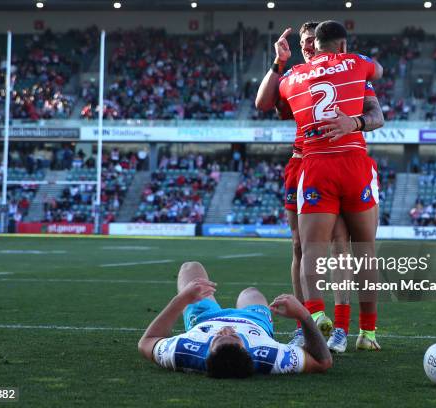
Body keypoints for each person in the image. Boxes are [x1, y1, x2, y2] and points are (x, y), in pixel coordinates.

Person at [255, 22, 384, 352]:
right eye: (302, 42)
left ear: (322, 42)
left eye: (312, 40)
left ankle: (341, 328)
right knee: (299, 246)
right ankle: (307, 322)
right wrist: (278, 63)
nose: (307, 45)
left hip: (326, 161)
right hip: (302, 163)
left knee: (341, 246)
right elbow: (265, 103)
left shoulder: (347, 75)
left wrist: (353, 122)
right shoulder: (300, 71)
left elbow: (376, 113)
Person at [138, 261, 332, 378]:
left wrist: (182, 300)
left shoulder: (183, 352)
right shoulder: (271, 358)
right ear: (248, 350)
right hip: (253, 322)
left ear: (206, 354)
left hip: (205, 319)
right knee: (251, 292)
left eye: (219, 338)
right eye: (234, 337)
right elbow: (323, 362)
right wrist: (303, 315)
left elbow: (147, 341)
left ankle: (199, 302)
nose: (227, 330)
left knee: (191, 267)